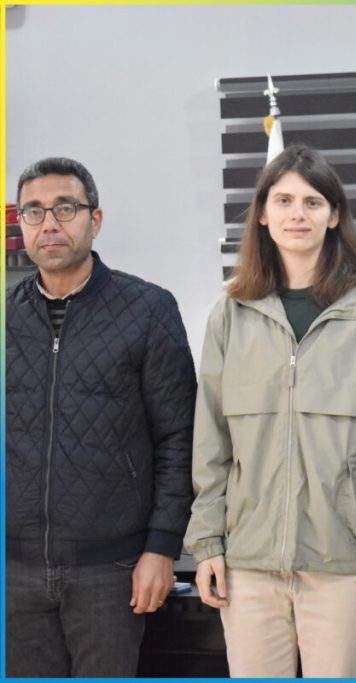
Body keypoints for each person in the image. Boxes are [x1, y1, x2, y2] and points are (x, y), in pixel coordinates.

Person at [183, 144, 356, 677]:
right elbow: (211, 441)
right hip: (247, 562)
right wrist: (208, 541)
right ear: (263, 215)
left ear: (334, 216)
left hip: (343, 562)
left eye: (313, 202)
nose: (297, 214)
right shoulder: (231, 313)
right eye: (284, 201)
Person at [5, 157, 197, 677]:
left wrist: (162, 548)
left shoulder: (148, 310)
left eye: (65, 208)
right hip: (13, 572)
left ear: (95, 219)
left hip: (112, 571)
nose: (49, 223)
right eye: (34, 211)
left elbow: (179, 438)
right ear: (21, 225)